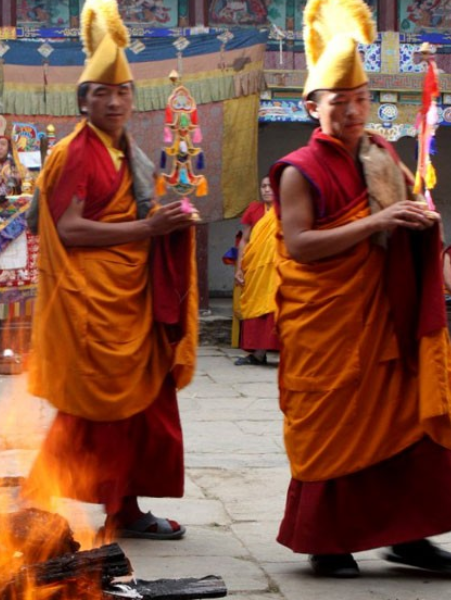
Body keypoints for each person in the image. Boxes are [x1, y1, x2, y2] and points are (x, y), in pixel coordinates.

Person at [271, 0, 451, 578]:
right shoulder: (300, 169)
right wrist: (377, 223)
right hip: (331, 325)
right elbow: (299, 245)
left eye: (361, 98)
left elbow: (409, 210)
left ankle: (409, 536)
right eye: (339, 101)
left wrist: (424, 225)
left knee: (404, 421)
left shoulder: (382, 155)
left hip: (387, 316)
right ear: (312, 107)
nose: (352, 111)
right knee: (335, 423)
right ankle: (329, 540)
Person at [23, 0, 199, 541]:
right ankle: (41, 501)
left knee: (139, 409)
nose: (116, 101)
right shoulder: (79, 151)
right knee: (97, 412)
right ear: (84, 101)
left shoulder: (125, 152)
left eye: (123, 92)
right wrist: (148, 231)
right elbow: (68, 229)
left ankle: (122, 507)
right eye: (103, 92)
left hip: (128, 299)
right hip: (92, 303)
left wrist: (167, 222)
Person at [233, 176, 279, 365]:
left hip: (278, 266)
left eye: (270, 186)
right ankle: (258, 354)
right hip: (256, 267)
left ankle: (289, 354)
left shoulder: (287, 208)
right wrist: (239, 267)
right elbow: (245, 239)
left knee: (278, 307)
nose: (267, 189)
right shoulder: (254, 209)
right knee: (256, 307)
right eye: (263, 186)